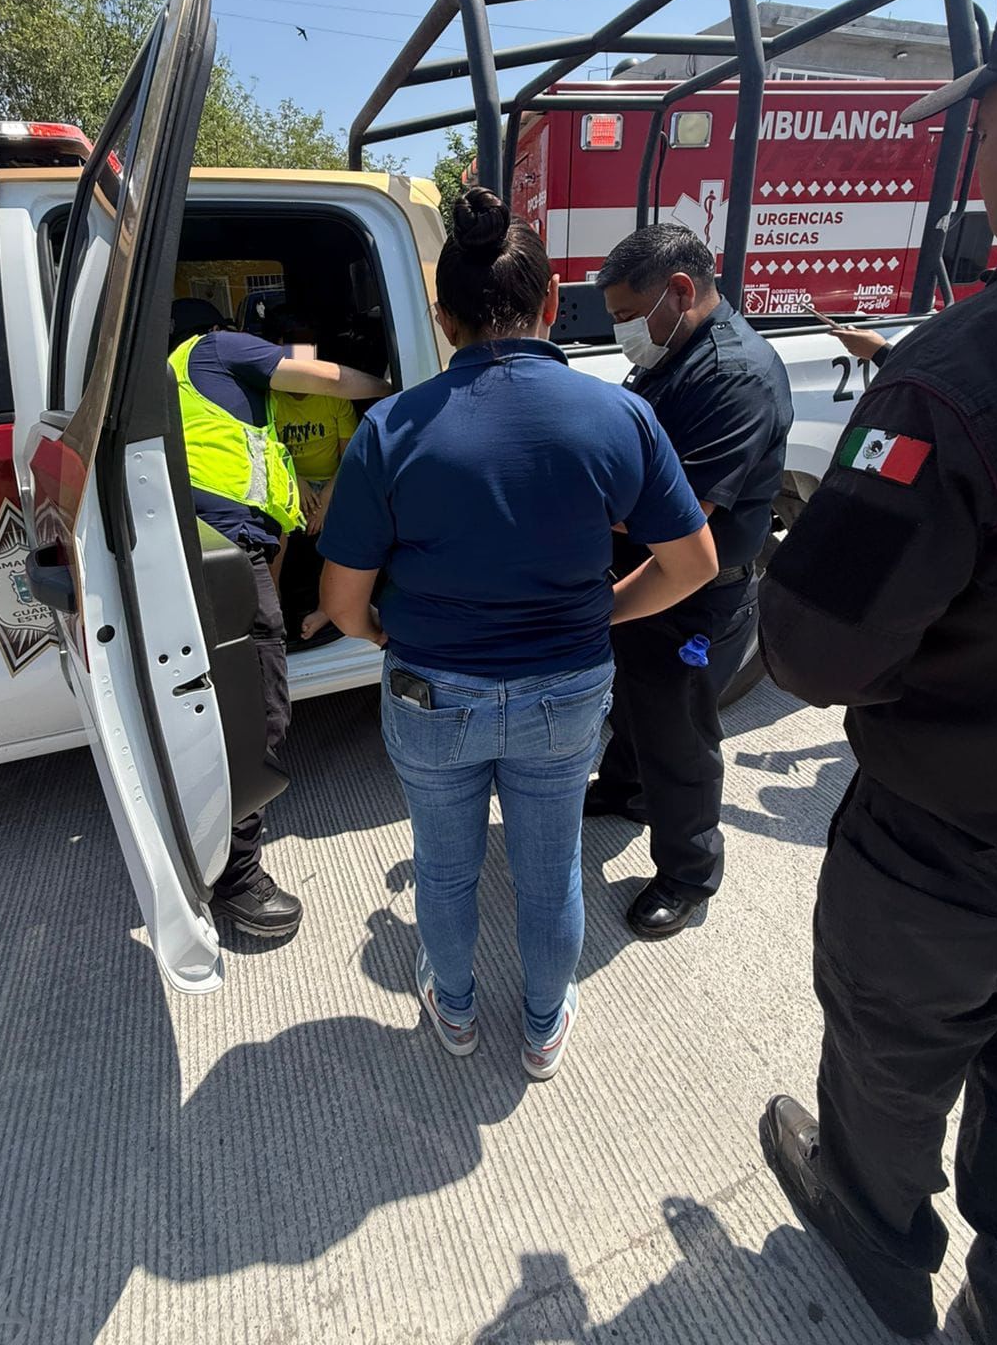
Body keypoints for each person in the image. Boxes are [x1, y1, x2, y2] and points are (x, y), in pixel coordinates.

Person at [756, 0, 997, 1344]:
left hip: (946, 848)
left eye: (985, 119)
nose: (971, 150)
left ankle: (873, 1225)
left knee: (893, 1056)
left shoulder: (958, 378)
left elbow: (811, 645)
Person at [317, 190, 717, 1079]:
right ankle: (542, 1028)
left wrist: (382, 633)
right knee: (551, 870)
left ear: (443, 317)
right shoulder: (619, 416)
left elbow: (341, 602)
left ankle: (453, 1012)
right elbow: (692, 565)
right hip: (565, 688)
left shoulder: (390, 430)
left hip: (431, 688)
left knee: (444, 864)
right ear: (549, 304)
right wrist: (599, 612)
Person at [584, 225, 793, 940]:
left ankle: (688, 873)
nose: (620, 333)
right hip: (650, 575)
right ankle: (625, 790)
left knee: (679, 731)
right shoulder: (676, 353)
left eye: (623, 315)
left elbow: (679, 517)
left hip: (697, 595)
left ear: (679, 291)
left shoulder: (734, 375)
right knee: (636, 700)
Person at [168, 299, 390, 937]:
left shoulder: (197, 397)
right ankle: (235, 875)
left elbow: (266, 492)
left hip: (218, 550)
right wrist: (388, 383)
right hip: (225, 557)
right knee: (255, 712)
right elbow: (323, 376)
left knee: (220, 705)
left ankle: (212, 845)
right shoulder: (213, 350)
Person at [261, 309, 359, 641]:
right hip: (287, 481)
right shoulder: (268, 397)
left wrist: (328, 500)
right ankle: (274, 612)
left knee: (346, 527)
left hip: (334, 482)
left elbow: (350, 460)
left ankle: (328, 608)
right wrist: (297, 484)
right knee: (275, 530)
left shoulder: (333, 395)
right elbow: (270, 451)